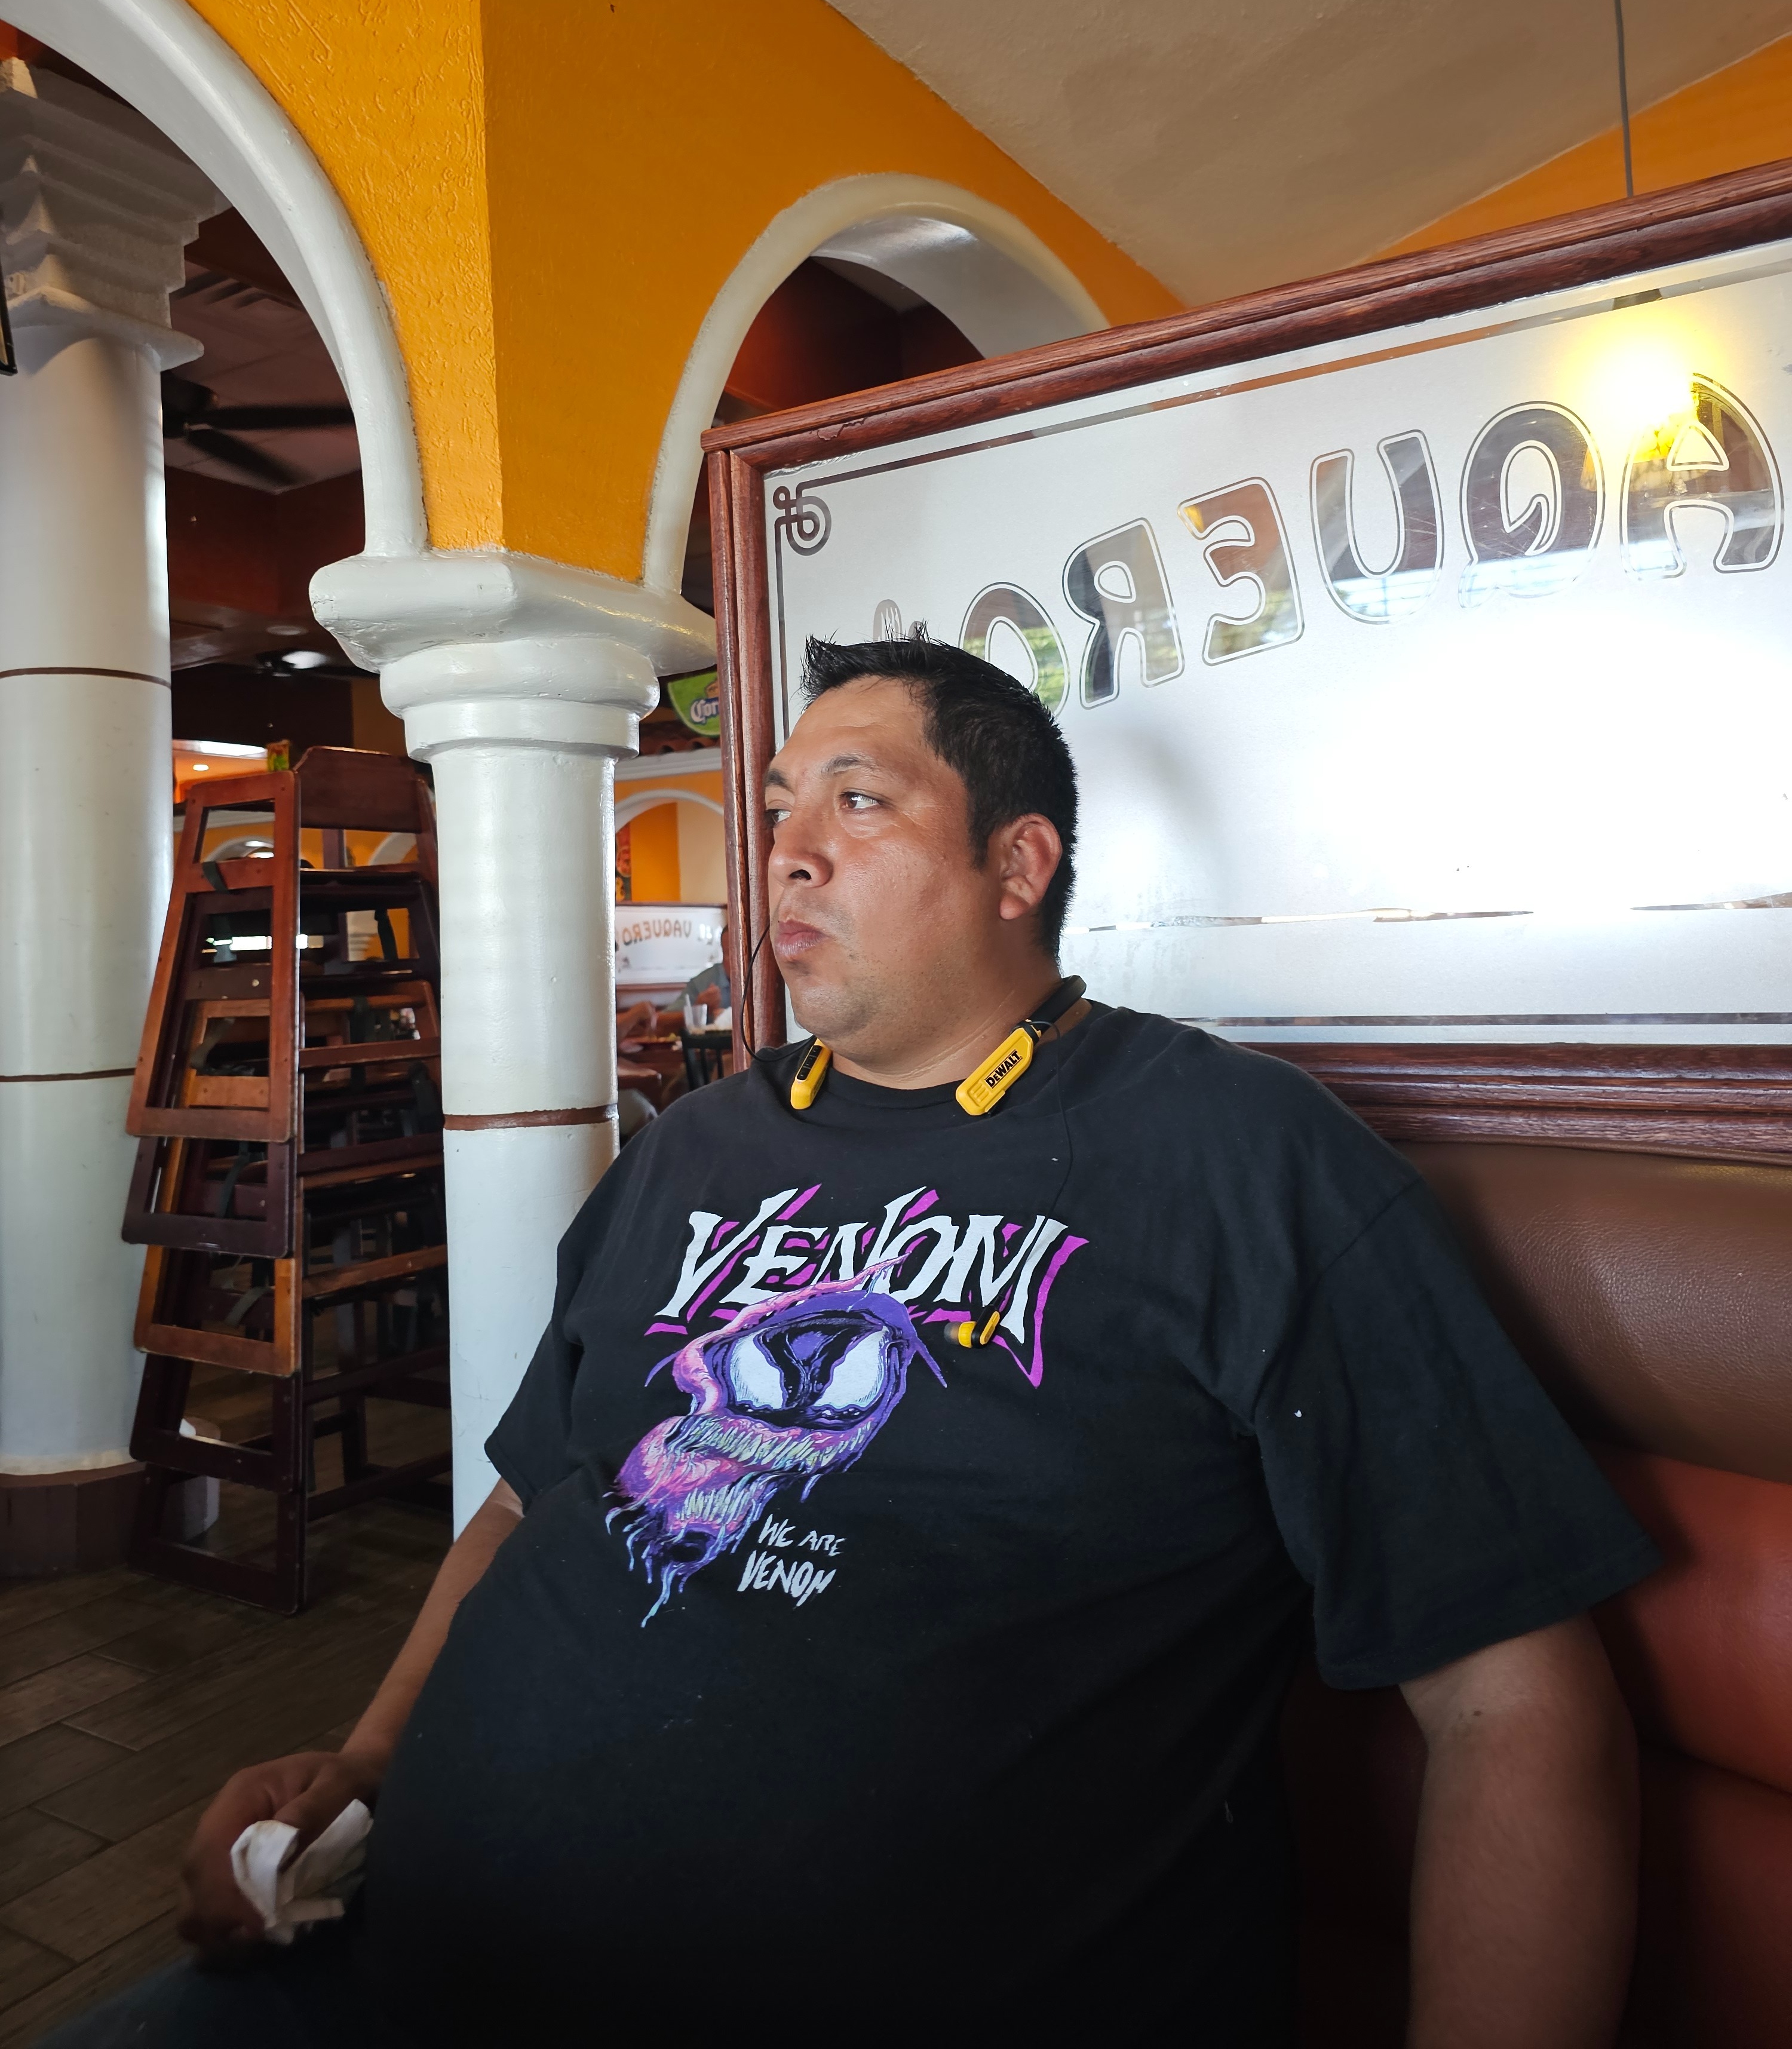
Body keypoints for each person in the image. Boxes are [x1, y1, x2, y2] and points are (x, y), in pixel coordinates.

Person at [51, 633, 1655, 2049]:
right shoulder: (689, 1151)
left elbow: (1512, 1699)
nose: (788, 856)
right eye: (776, 811)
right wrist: (362, 1763)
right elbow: (534, 1499)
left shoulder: (1240, 1156)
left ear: (1017, 865)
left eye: (858, 802)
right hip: (390, 1969)